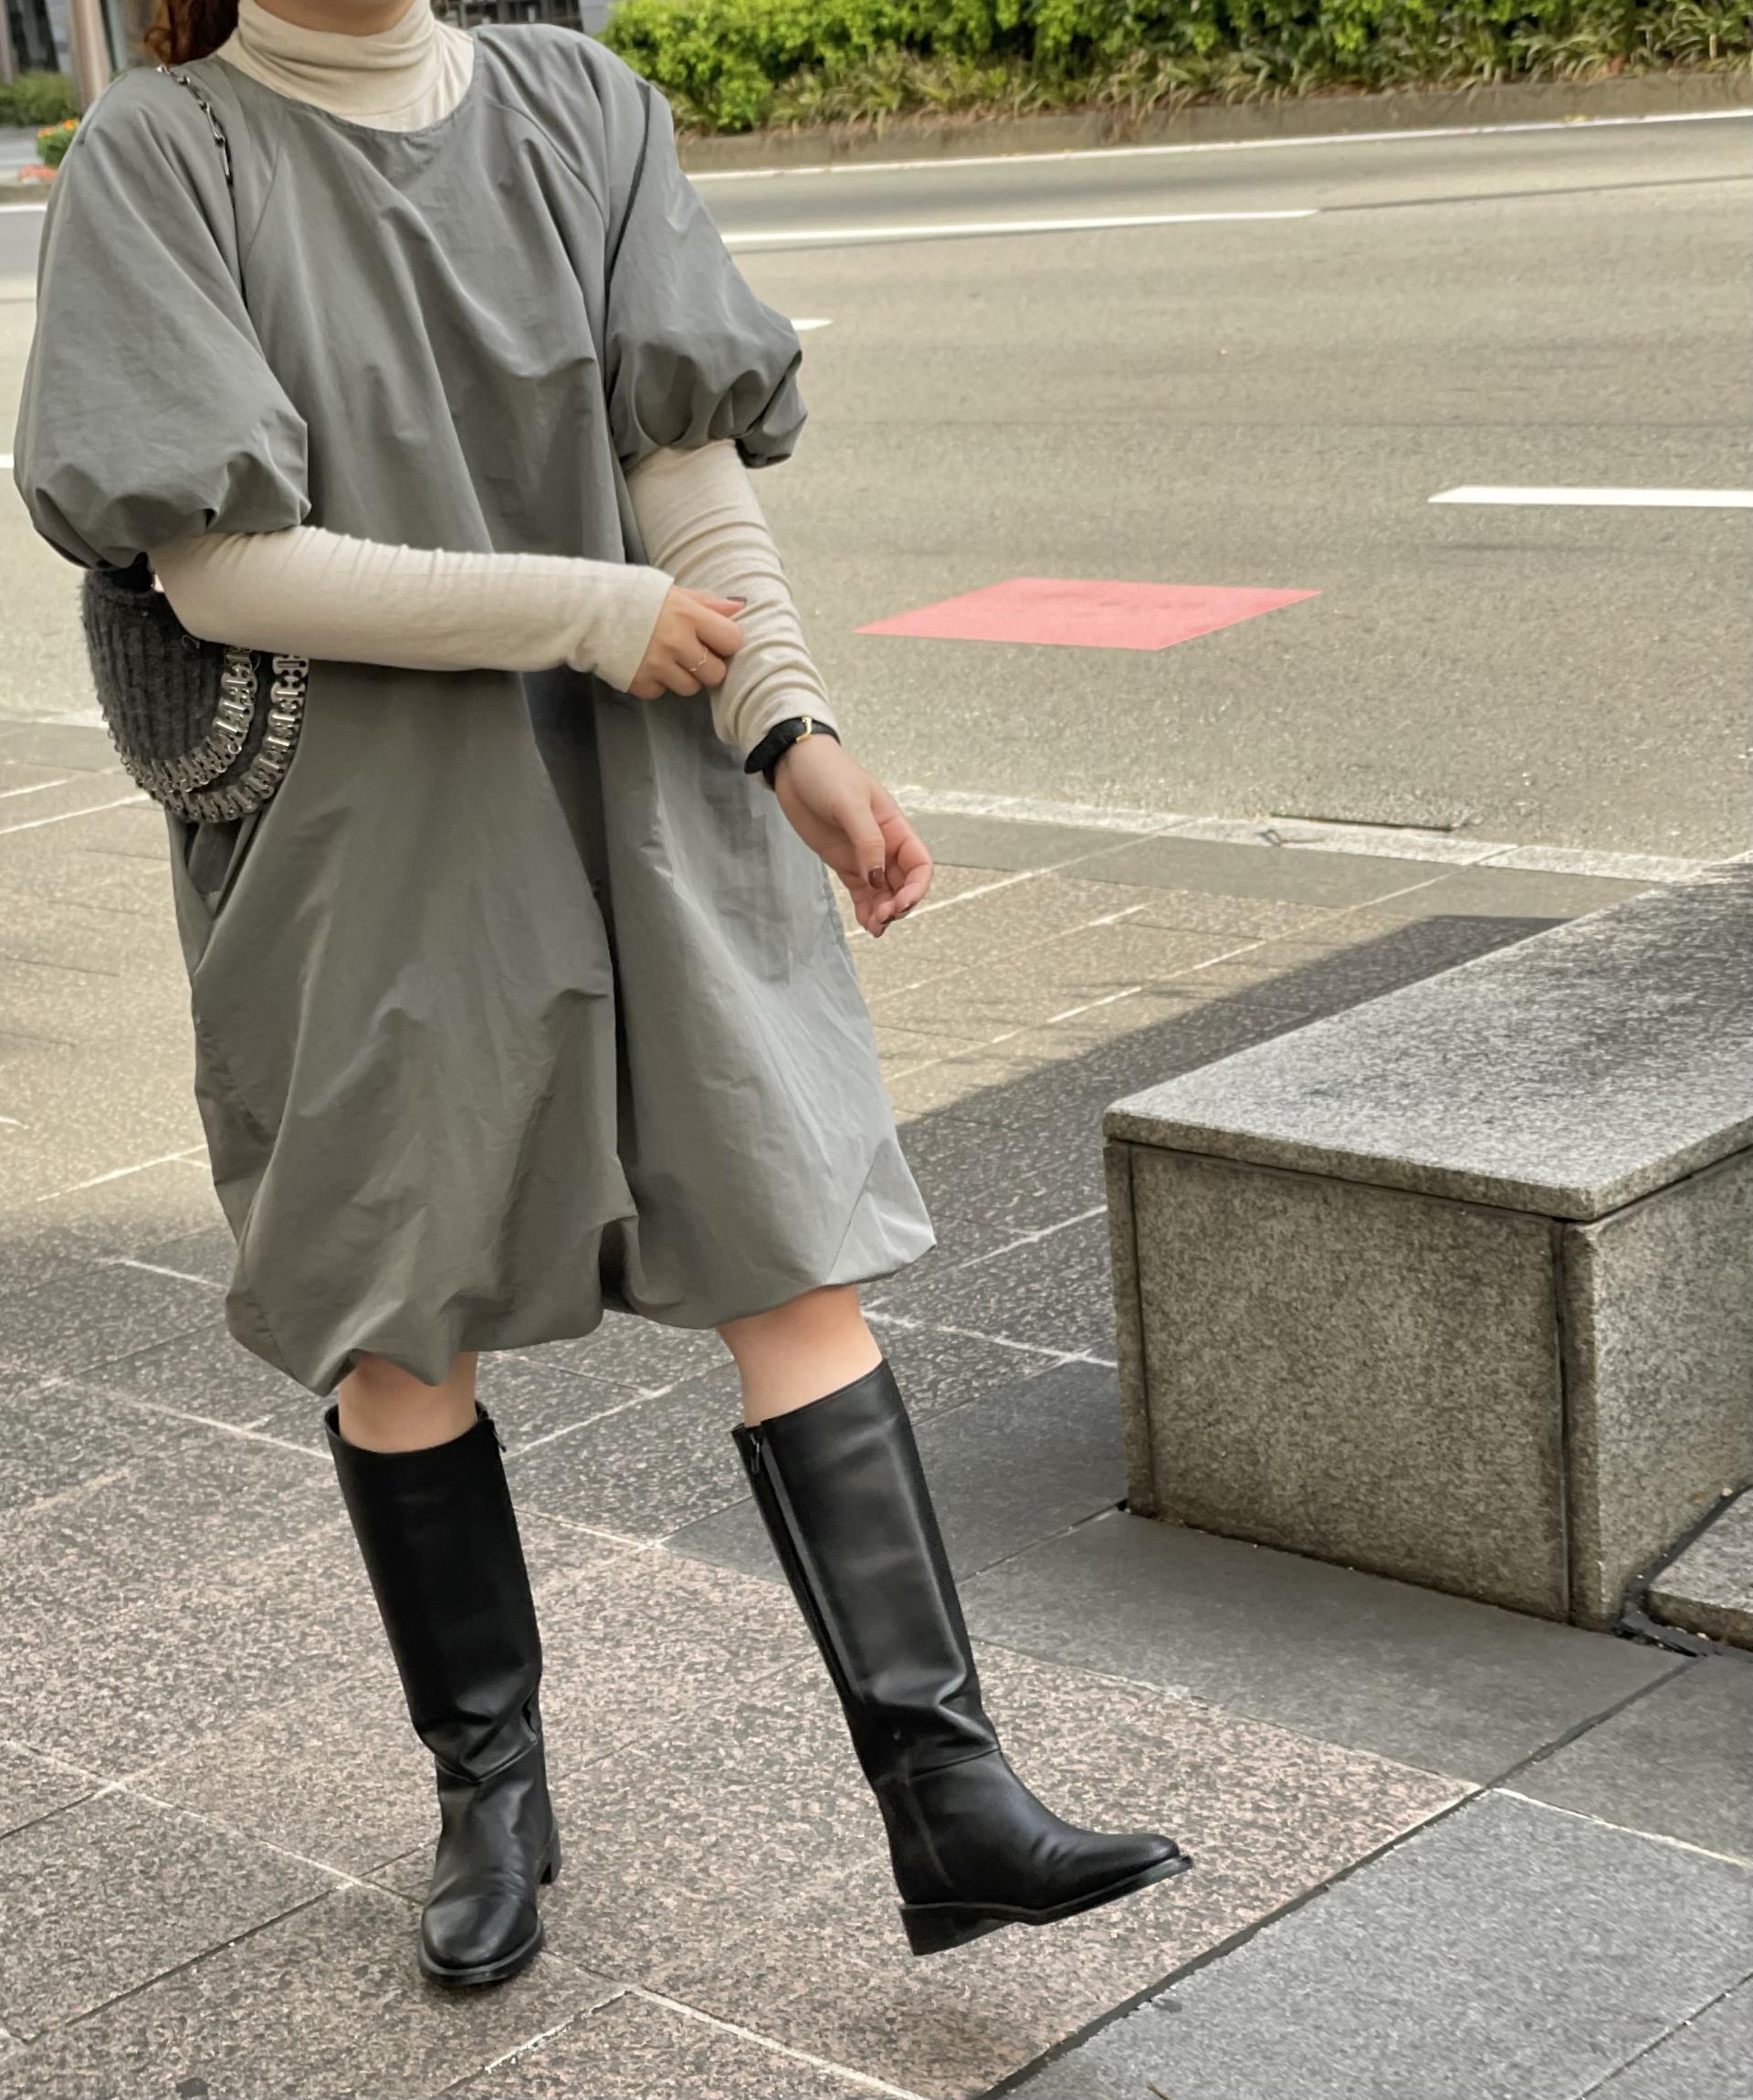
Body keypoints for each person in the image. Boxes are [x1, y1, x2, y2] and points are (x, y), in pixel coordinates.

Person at [11, 0, 1187, 1990]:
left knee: (786, 1245)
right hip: (371, 833)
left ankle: (949, 1794)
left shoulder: (582, 108)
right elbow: (222, 570)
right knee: (400, 1308)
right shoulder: (167, 151)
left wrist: (791, 725)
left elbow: (686, 468)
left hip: (651, 777)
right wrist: (593, 612)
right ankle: (490, 1794)